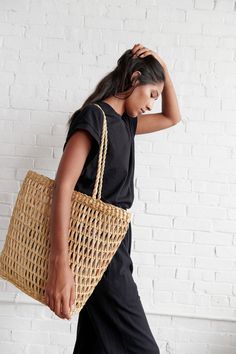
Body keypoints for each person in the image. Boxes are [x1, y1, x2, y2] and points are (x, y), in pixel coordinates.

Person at [45, 43, 182, 353]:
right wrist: (60, 262)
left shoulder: (126, 124)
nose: (152, 105)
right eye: (151, 94)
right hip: (94, 244)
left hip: (116, 243)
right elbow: (63, 187)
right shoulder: (94, 118)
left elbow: (172, 118)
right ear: (135, 79)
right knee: (143, 349)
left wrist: (162, 66)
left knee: (95, 345)